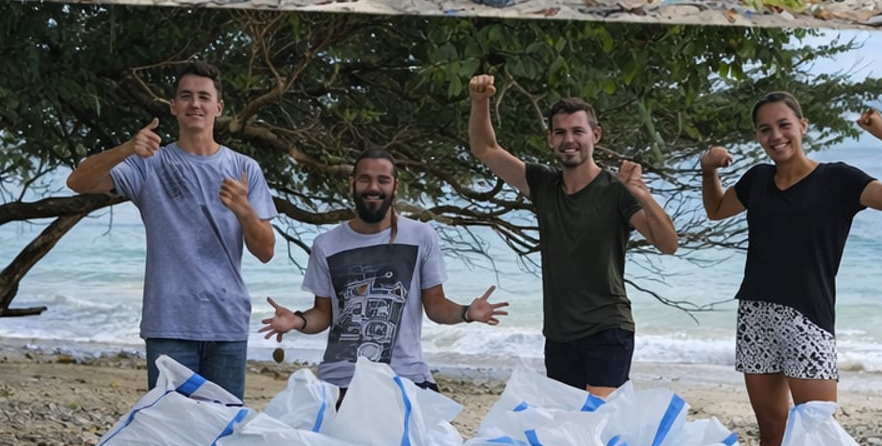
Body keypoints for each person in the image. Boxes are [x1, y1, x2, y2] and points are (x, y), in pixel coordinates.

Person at [699, 93, 882, 446]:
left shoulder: (838, 179)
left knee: (819, 435)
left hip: (808, 317)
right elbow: (717, 209)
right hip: (756, 314)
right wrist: (709, 171)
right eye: (765, 129)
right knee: (771, 432)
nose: (776, 136)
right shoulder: (757, 179)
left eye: (784, 125)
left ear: (802, 126)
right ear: (758, 136)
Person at [66, 61, 276, 400]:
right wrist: (126, 148)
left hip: (227, 323)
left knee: (221, 432)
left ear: (218, 107)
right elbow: (78, 181)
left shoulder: (243, 168)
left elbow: (265, 251)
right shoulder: (149, 163)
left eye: (204, 97)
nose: (196, 104)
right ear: (174, 107)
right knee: (169, 431)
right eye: (187, 96)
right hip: (168, 322)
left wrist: (245, 211)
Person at [467, 73, 678, 396]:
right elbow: (485, 149)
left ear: (595, 135)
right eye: (561, 132)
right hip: (559, 334)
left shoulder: (616, 191)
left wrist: (643, 194)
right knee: (569, 430)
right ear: (550, 139)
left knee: (595, 424)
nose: (569, 140)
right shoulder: (542, 184)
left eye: (578, 131)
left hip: (609, 327)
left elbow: (668, 244)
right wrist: (480, 101)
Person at [259, 149, 508, 391]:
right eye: (365, 179)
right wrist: (298, 321)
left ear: (395, 186)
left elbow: (436, 306)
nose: (373, 188)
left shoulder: (421, 236)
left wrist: (466, 312)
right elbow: (324, 314)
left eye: (383, 180)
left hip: (406, 376)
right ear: (352, 184)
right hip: (342, 379)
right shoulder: (326, 244)